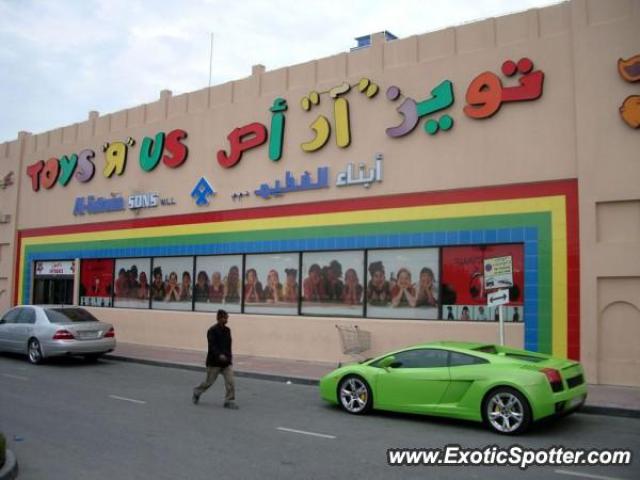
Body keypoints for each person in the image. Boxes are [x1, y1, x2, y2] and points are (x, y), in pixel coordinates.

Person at [192, 309, 238, 409]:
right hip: (214, 362)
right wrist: (219, 355)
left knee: (231, 381)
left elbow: (228, 345)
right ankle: (197, 392)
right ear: (219, 318)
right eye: (225, 318)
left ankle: (229, 400)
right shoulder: (212, 330)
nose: (226, 320)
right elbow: (212, 346)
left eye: (227, 318)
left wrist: (229, 358)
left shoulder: (227, 330)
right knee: (209, 382)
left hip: (226, 362)